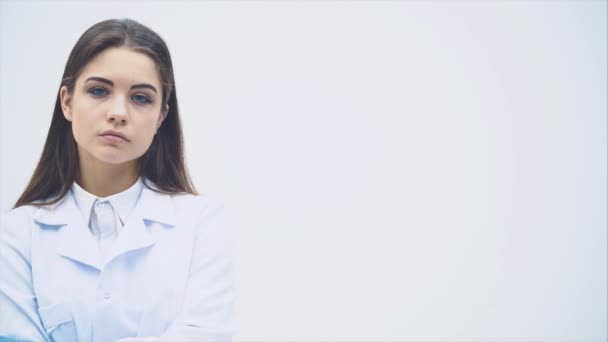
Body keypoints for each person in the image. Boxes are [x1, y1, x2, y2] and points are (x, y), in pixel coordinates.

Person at [0, 18, 237, 341]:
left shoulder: (202, 223)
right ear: (67, 102)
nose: (118, 112)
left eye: (141, 98)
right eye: (99, 91)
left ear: (161, 117)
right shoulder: (16, 234)